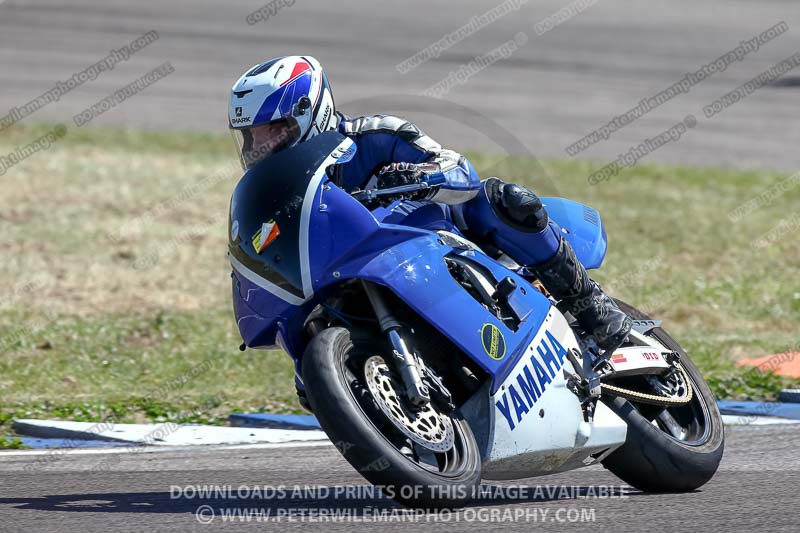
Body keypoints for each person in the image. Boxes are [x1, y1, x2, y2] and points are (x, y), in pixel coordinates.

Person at [228, 55, 631, 353]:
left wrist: (419, 177)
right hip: (355, 269)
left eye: (272, 131)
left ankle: (588, 303)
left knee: (503, 200)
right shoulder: (281, 193)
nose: (260, 146)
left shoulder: (374, 135)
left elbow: (457, 168)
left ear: (309, 112)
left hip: (432, 233)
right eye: (251, 137)